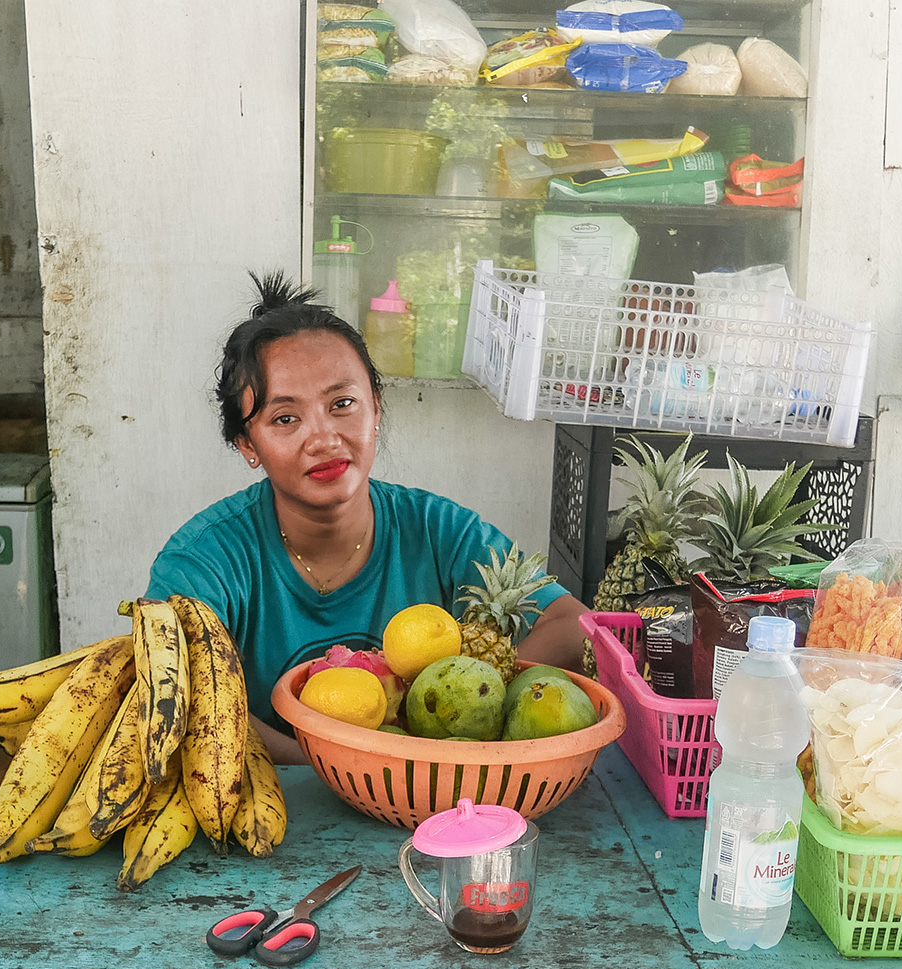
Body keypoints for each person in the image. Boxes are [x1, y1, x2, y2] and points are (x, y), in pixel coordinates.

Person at [146, 272, 589, 765]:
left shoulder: (437, 529)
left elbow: (572, 623)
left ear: (376, 407)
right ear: (247, 445)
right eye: (285, 418)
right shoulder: (203, 561)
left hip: (433, 801)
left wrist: (469, 698)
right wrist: (342, 766)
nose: (324, 439)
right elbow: (181, 699)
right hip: (271, 798)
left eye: (343, 404)